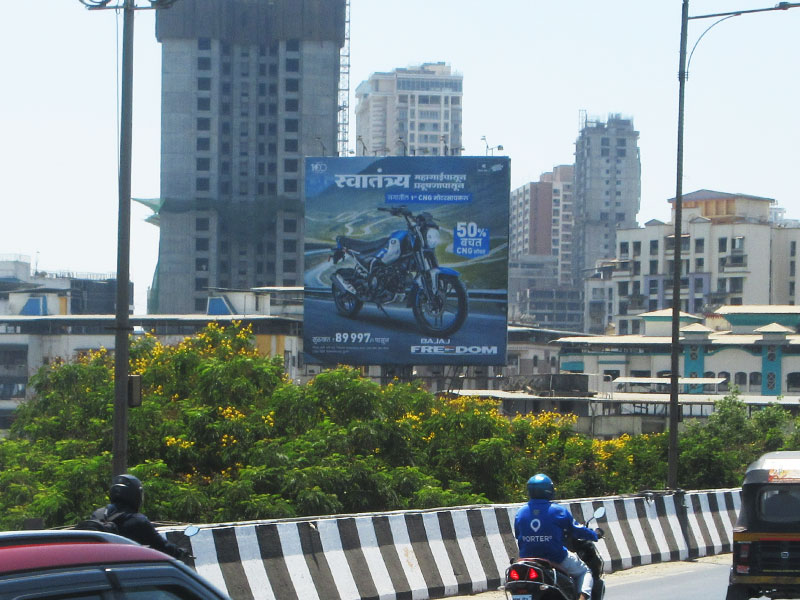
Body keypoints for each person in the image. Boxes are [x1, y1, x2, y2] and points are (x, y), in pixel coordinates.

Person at [514, 473, 599, 600]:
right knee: (584, 571)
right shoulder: (558, 511)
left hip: (527, 560)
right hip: (555, 558)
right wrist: (594, 535)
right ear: (548, 490)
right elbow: (576, 530)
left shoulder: (520, 512)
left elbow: (518, 534)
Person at [90, 473, 187, 560]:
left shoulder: (97, 514)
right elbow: (162, 547)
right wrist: (180, 552)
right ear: (136, 495)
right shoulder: (138, 521)